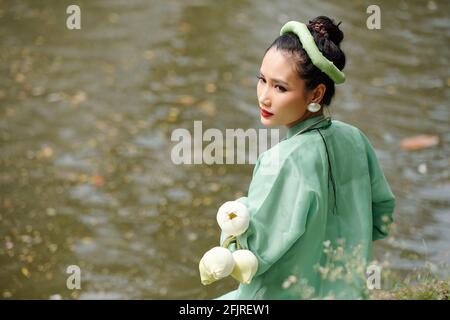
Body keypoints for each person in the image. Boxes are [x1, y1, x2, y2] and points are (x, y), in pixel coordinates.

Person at [214, 16, 396, 299]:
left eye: (280, 87)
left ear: (316, 93)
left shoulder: (282, 160)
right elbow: (382, 218)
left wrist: (236, 214)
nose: (264, 97)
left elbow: (250, 261)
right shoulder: (356, 139)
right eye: (262, 80)